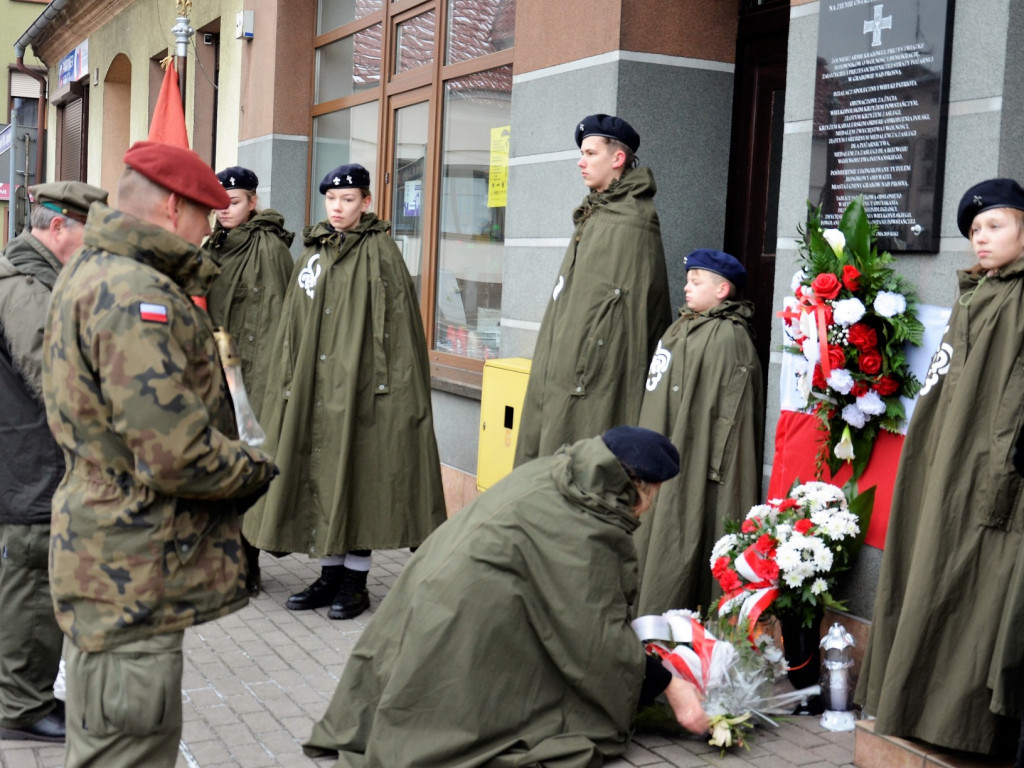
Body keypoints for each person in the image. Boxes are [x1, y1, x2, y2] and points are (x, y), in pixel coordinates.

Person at [41, 141, 279, 768]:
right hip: (131, 571)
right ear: (175, 207)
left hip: (111, 561)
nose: (208, 230)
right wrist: (253, 472)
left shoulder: (91, 271)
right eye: (206, 213)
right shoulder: (133, 293)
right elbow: (176, 453)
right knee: (130, 750)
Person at [303, 426, 709, 767]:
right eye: (654, 495)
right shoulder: (589, 526)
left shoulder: (561, 474)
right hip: (462, 613)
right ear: (639, 488)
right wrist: (671, 686)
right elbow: (593, 636)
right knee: (506, 716)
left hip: (431, 591)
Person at [855, 177, 1024, 756]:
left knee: (967, 591)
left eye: (995, 225)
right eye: (975, 230)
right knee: (926, 576)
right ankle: (912, 704)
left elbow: (1013, 402)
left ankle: (956, 722)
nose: (981, 238)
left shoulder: (1018, 296)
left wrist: (996, 481)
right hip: (944, 461)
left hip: (984, 472)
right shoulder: (980, 291)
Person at [242, 163, 446, 621]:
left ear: (367, 202)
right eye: (332, 200)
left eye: (348, 199)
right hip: (314, 387)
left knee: (360, 476)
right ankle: (329, 574)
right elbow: (294, 321)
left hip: (363, 389)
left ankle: (355, 582)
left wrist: (390, 391)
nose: (338, 208)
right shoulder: (313, 252)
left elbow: (398, 333)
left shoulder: (382, 251)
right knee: (321, 473)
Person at [0, 181, 107, 744]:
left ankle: (23, 691)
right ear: (58, 227)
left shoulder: (34, 277)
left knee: (28, 579)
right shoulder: (23, 286)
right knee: (30, 583)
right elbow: (55, 378)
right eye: (89, 232)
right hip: (28, 461)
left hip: (28, 457)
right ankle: (20, 707)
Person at [513, 114, 672, 467]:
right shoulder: (597, 211)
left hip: (591, 377)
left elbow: (624, 317)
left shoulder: (632, 219)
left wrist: (583, 367)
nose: (580, 162)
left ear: (617, 159)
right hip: (564, 365)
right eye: (581, 154)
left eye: (590, 153)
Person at [633, 249, 763, 616]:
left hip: (693, 464)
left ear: (723, 289)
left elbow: (722, 422)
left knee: (680, 536)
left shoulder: (728, 339)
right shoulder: (680, 328)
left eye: (697, 280)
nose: (687, 286)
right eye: (687, 278)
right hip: (659, 456)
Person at [203, 165, 295, 595]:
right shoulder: (214, 244)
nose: (225, 210)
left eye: (234, 202)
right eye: (220, 202)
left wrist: (265, 379)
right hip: (215, 371)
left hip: (251, 373)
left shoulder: (269, 247)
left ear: (253, 202)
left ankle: (247, 565)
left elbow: (278, 316)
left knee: (247, 465)